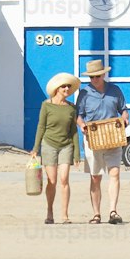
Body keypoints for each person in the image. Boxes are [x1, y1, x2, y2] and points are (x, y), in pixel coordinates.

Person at [75, 59, 129, 225]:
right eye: (91, 77)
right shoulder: (84, 94)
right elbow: (78, 116)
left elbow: (124, 111)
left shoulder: (115, 90)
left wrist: (125, 119)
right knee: (95, 177)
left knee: (115, 173)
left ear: (104, 74)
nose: (95, 79)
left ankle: (113, 211)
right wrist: (82, 126)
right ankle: (96, 214)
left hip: (113, 137)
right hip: (93, 139)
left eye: (97, 76)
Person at [30, 72, 80, 225]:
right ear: (57, 89)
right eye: (63, 86)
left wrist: (77, 152)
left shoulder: (72, 108)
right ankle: (50, 212)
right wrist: (35, 148)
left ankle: (64, 215)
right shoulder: (46, 105)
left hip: (66, 146)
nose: (66, 88)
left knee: (64, 179)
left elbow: (73, 131)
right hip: (49, 145)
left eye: (68, 86)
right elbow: (41, 126)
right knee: (52, 181)